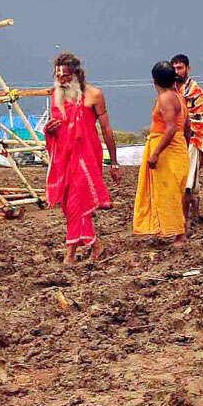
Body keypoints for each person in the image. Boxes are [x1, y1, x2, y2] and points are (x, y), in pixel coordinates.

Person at [44, 51, 120, 265]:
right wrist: (48, 131)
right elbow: (56, 128)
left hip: (86, 157)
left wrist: (114, 162)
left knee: (78, 201)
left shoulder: (94, 94)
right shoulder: (56, 96)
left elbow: (106, 129)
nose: (61, 80)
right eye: (58, 76)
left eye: (65, 76)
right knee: (70, 206)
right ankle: (95, 244)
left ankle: (70, 254)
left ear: (76, 74)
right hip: (65, 158)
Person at [133, 61, 190, 245]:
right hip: (177, 147)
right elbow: (186, 127)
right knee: (173, 190)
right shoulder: (179, 96)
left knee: (169, 191)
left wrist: (156, 153)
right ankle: (173, 229)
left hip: (167, 149)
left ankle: (179, 234)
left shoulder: (165, 98)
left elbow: (171, 128)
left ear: (154, 81)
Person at [170, 54, 203, 231]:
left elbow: (201, 119)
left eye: (180, 68)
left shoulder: (195, 91)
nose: (176, 71)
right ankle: (191, 214)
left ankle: (185, 221)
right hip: (174, 141)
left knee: (187, 183)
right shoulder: (170, 89)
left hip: (192, 140)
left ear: (188, 69)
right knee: (184, 182)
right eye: (174, 68)